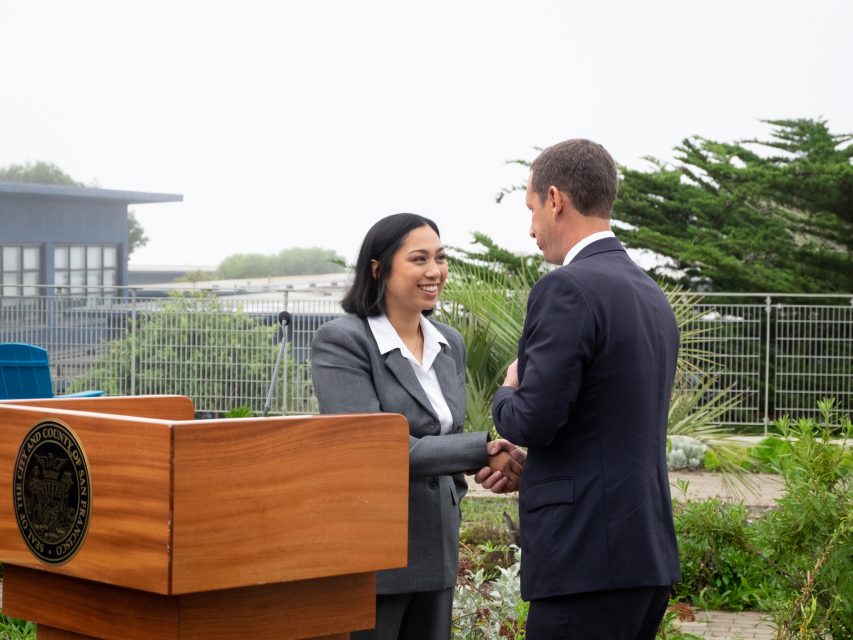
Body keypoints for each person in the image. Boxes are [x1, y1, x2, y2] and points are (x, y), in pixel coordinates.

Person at [491, 139, 682, 639]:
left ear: (555, 199)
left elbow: (533, 418)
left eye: (531, 209)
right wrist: (535, 472)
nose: (531, 229)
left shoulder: (566, 287)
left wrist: (507, 390)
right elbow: (607, 430)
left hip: (585, 563)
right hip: (645, 557)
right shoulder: (650, 294)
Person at [311, 212, 522, 640]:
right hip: (375, 551)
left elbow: (443, 437)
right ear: (378, 269)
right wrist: (480, 450)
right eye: (419, 259)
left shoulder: (449, 343)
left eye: (441, 258)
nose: (435, 272)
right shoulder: (343, 341)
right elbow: (376, 446)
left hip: (437, 544)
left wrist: (479, 468)